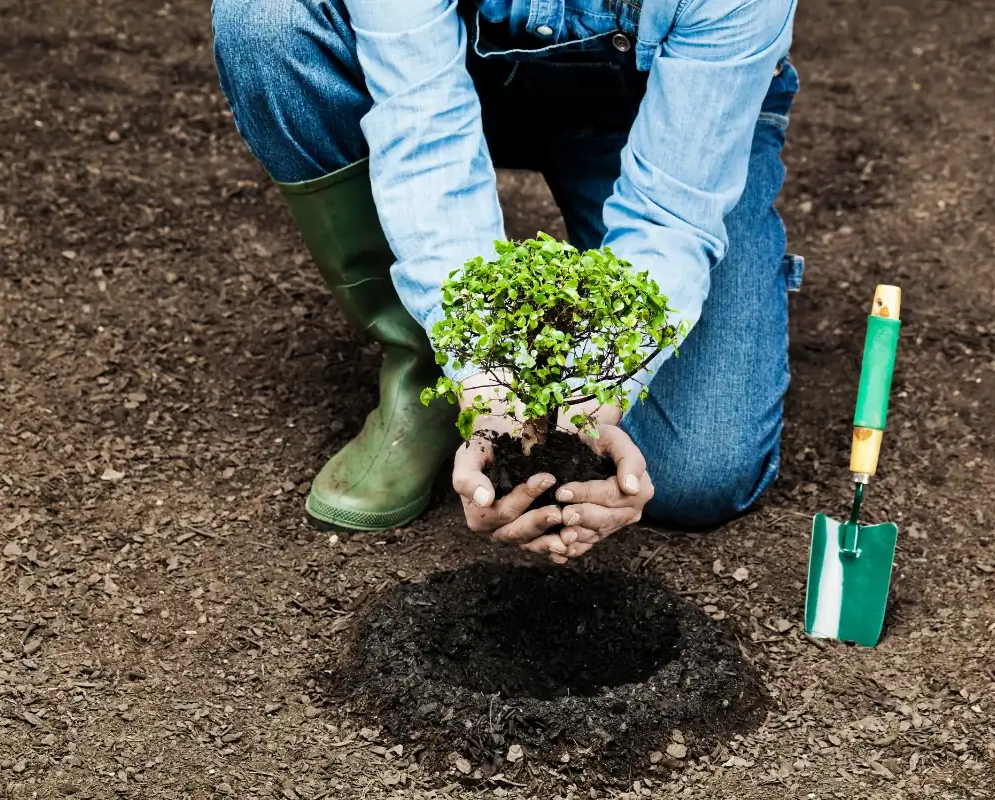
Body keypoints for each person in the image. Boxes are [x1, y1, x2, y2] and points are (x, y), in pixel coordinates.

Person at [211, 0, 803, 562]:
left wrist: (592, 396)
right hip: (455, 73)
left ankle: (551, 346)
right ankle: (426, 368)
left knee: (695, 473)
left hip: (661, 104)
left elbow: (670, 214)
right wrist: (484, 375)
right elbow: (425, 134)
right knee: (265, 21)